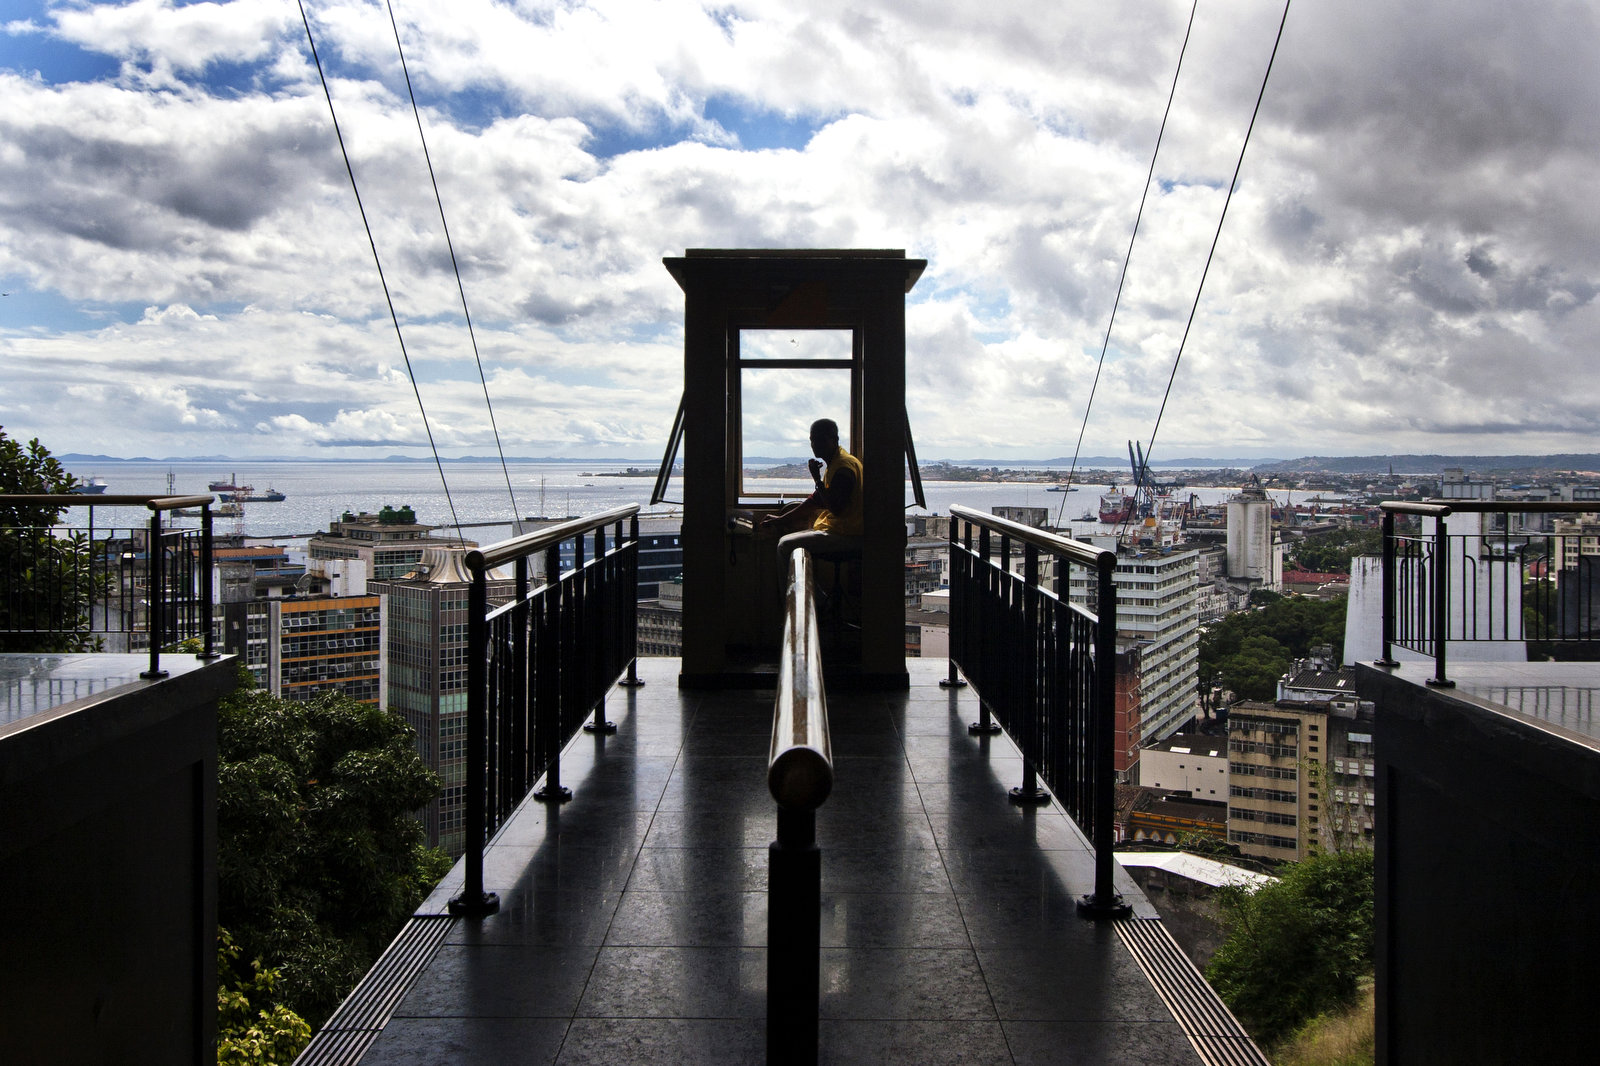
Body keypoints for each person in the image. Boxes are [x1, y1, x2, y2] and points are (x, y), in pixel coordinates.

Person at [762, 418, 864, 567]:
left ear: (834, 439)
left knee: (784, 546)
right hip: (844, 530)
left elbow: (836, 509)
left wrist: (817, 479)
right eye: (812, 440)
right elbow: (816, 500)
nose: (815, 445)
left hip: (848, 534)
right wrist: (780, 519)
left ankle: (791, 590)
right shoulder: (836, 463)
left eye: (820, 439)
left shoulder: (843, 468)